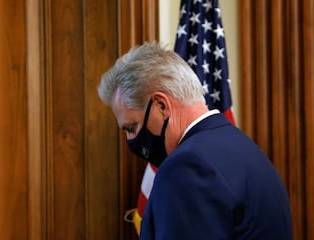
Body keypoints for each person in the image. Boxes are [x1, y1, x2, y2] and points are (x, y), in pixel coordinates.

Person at [97, 42, 293, 239]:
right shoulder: (242, 146)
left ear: (161, 106)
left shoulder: (186, 168)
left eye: (132, 128)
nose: (130, 139)